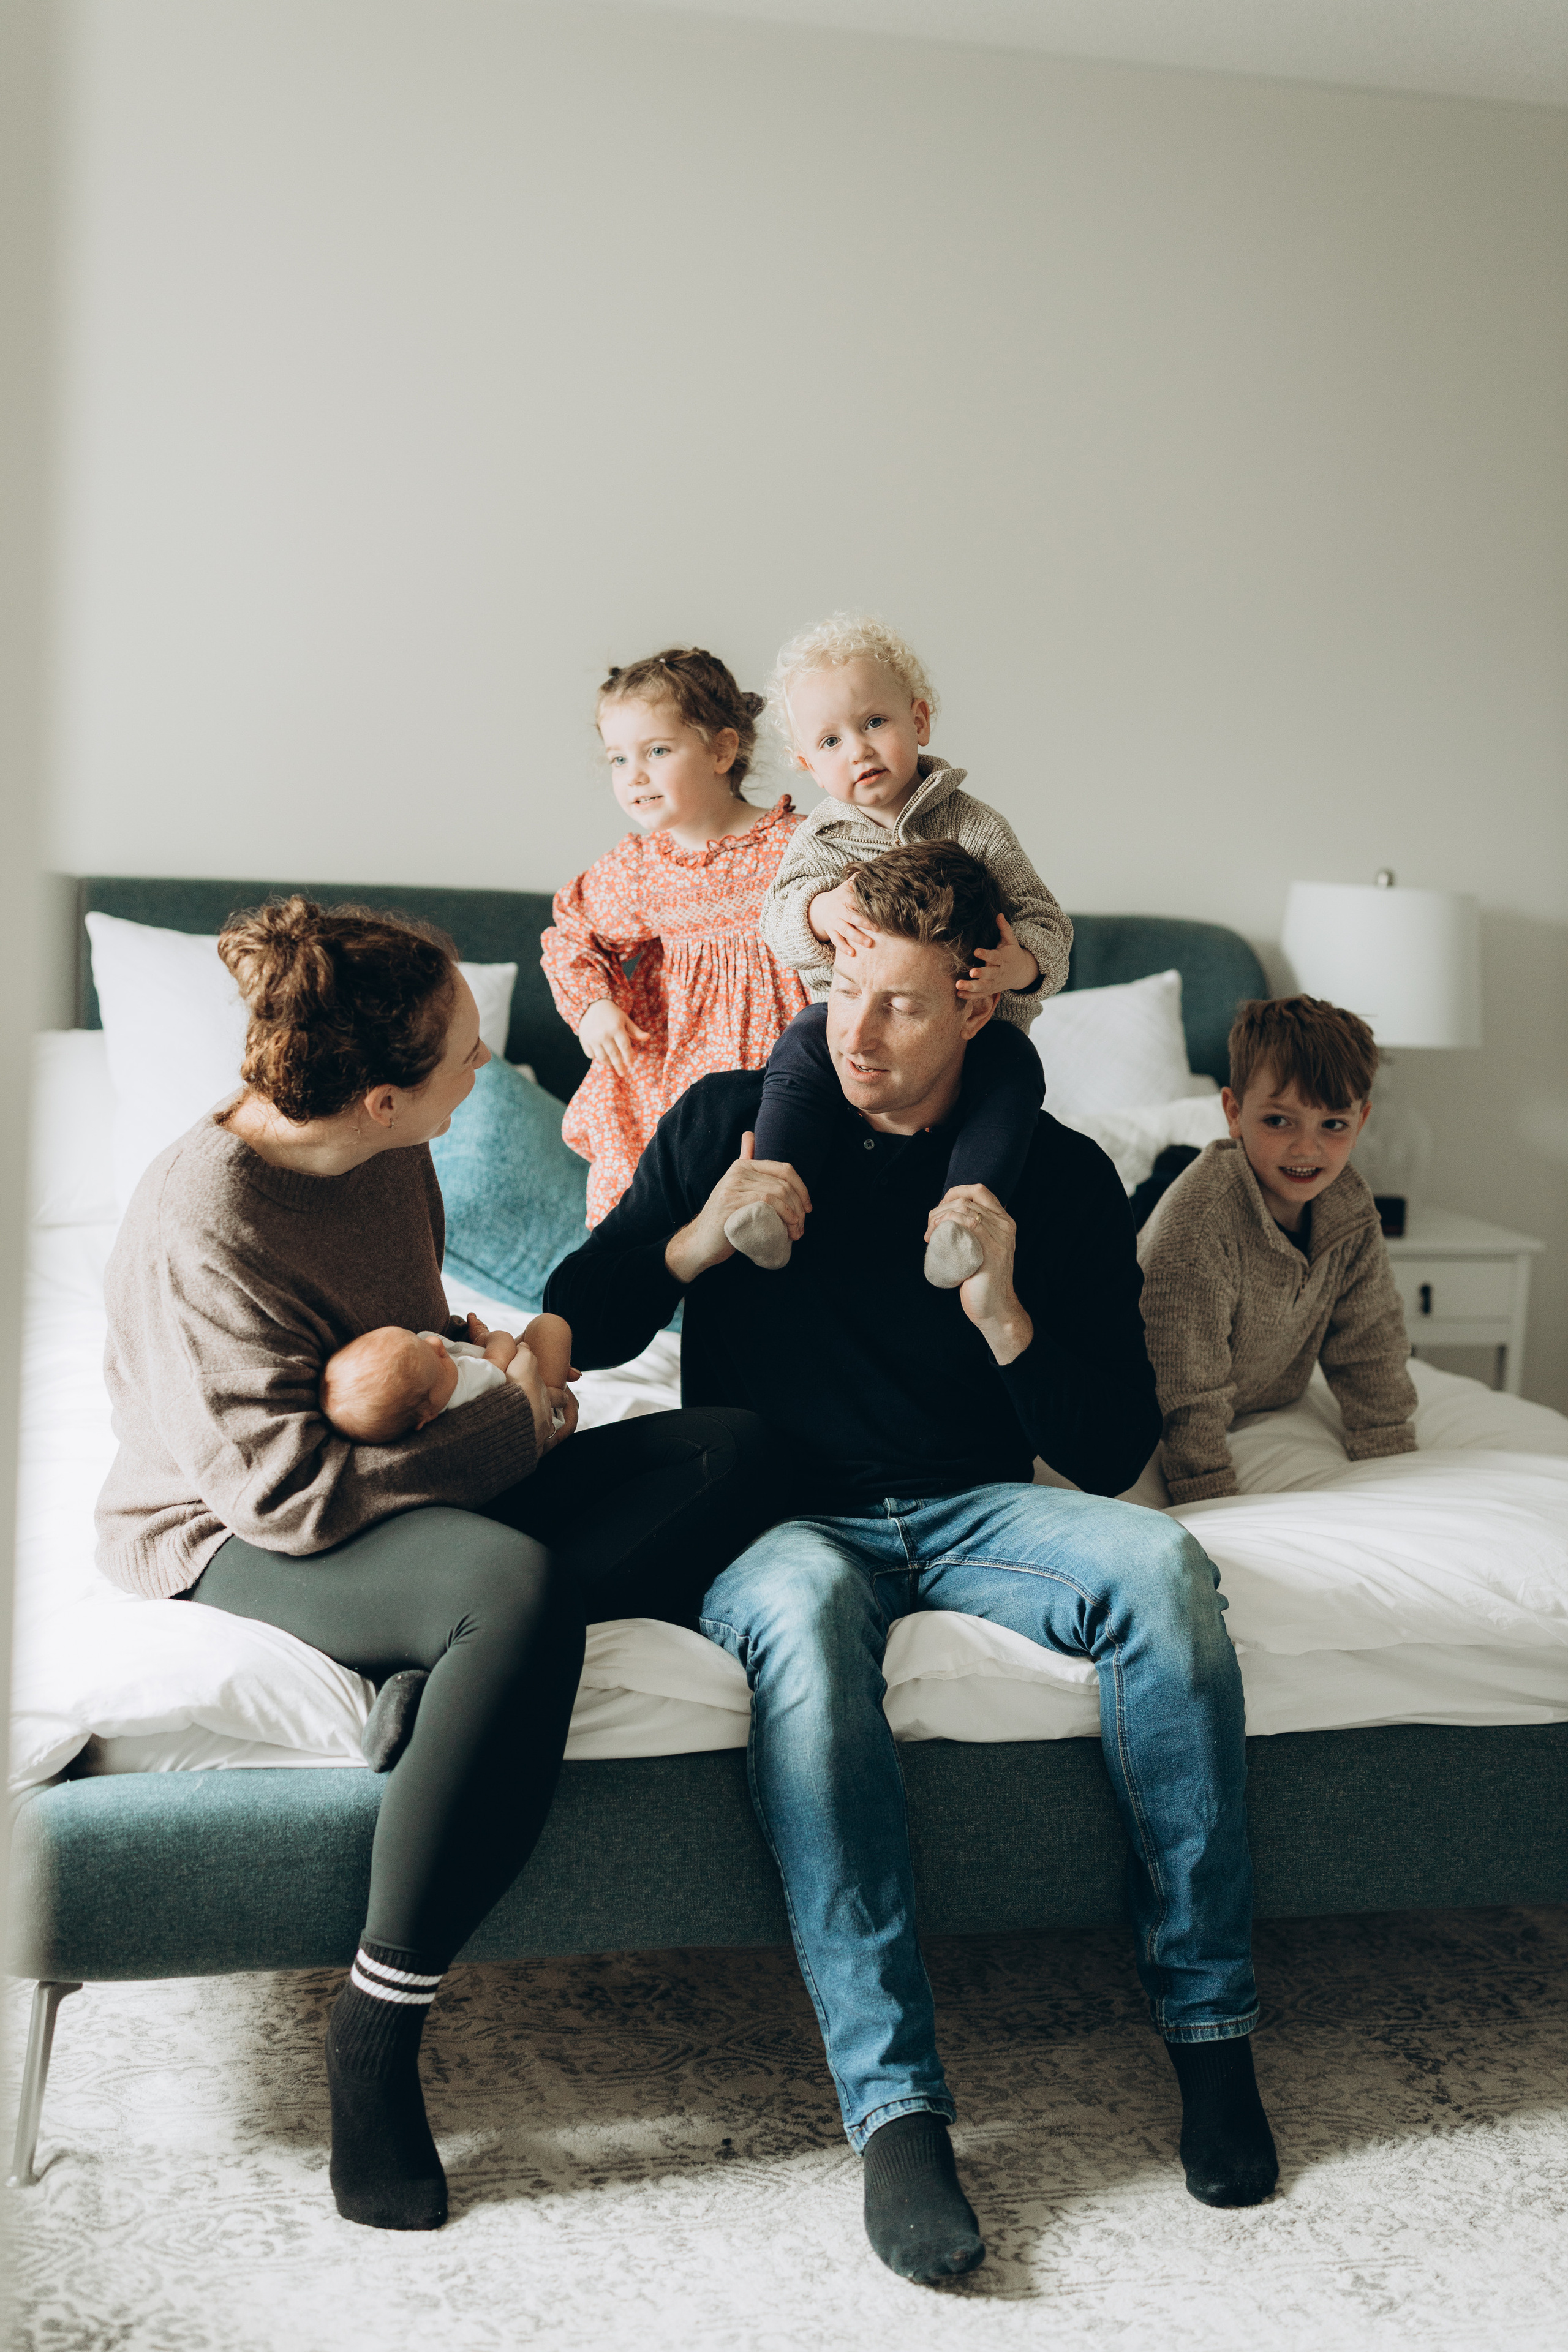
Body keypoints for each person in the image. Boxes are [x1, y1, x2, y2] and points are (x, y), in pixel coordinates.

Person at [546, 841, 1278, 2287]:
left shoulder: (1052, 1172)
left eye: (897, 1004)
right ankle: (895, 2112)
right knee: (808, 1625)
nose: (853, 1032)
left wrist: (1003, 1311)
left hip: (974, 1509)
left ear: (975, 1004)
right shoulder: (729, 1120)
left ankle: (1209, 2034)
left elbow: (1112, 1442)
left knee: (1160, 1572)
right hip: (785, 1520)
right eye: (836, 989)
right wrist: (692, 1243)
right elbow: (583, 1316)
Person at [96, 898, 780, 2235]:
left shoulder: (395, 1156)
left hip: (394, 1483)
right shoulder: (204, 1222)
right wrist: (520, 1420)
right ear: (378, 1094)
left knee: (736, 1450)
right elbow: (288, 1495)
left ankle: (452, 1673)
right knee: (513, 1592)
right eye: (466, 1053)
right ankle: (379, 2022)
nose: (486, 1065)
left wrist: (497, 1358)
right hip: (232, 1528)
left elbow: (413, 1338)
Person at [735, 613, 1074, 1287]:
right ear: (806, 763)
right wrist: (817, 911)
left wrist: (1022, 966)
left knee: (1014, 1073)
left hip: (976, 1028)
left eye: (874, 723)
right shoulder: (821, 840)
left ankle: (962, 1219)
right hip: (846, 1029)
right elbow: (775, 920)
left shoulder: (974, 827)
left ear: (919, 720)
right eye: (830, 740)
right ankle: (772, 1193)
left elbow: (1044, 918)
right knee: (797, 1052)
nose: (858, 750)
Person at [540, 647, 810, 1224]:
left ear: (722, 750)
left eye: (657, 751)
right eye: (618, 759)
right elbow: (574, 933)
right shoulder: (642, 868)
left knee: (784, 1201)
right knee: (669, 1207)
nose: (633, 775)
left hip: (786, 1065)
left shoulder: (799, 846)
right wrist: (593, 1007)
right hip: (677, 1076)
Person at [1139, 993, 1417, 1503]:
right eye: (1278, 1121)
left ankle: (1171, 1164)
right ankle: (1164, 1171)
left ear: (1361, 1122)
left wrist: (1389, 1451)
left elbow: (1370, 1338)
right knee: (1151, 1208)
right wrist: (1208, 1491)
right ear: (1233, 1112)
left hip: (1259, 1388)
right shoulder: (1198, 1227)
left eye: (1333, 1125)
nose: (1307, 1148)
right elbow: (1184, 1384)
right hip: (1157, 1346)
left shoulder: (1350, 1208)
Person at [321, 1311, 575, 1442]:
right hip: (537, 1405)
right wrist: (485, 1336)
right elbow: (503, 1351)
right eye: (441, 1361)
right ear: (428, 1415)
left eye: (416, 1339)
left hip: (513, 1370)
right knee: (551, 1326)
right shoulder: (465, 1388)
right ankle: (554, 1406)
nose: (435, 1343)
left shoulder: (424, 1386)